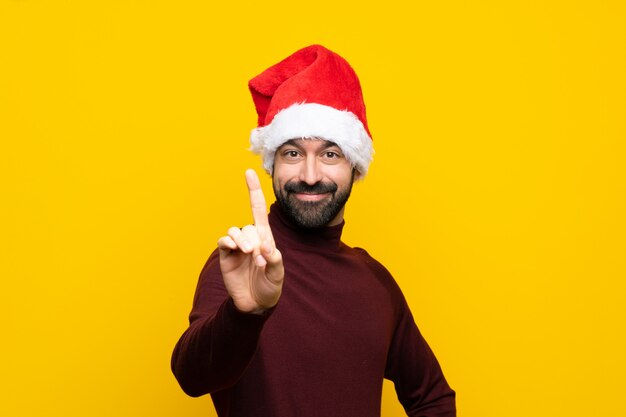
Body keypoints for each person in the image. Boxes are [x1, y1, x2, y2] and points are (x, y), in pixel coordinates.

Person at [171, 44, 456, 417]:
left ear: (355, 168)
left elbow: (432, 398)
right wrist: (246, 314)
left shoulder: (374, 280)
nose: (309, 175)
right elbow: (192, 378)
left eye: (330, 154)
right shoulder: (243, 260)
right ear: (272, 165)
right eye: (292, 153)